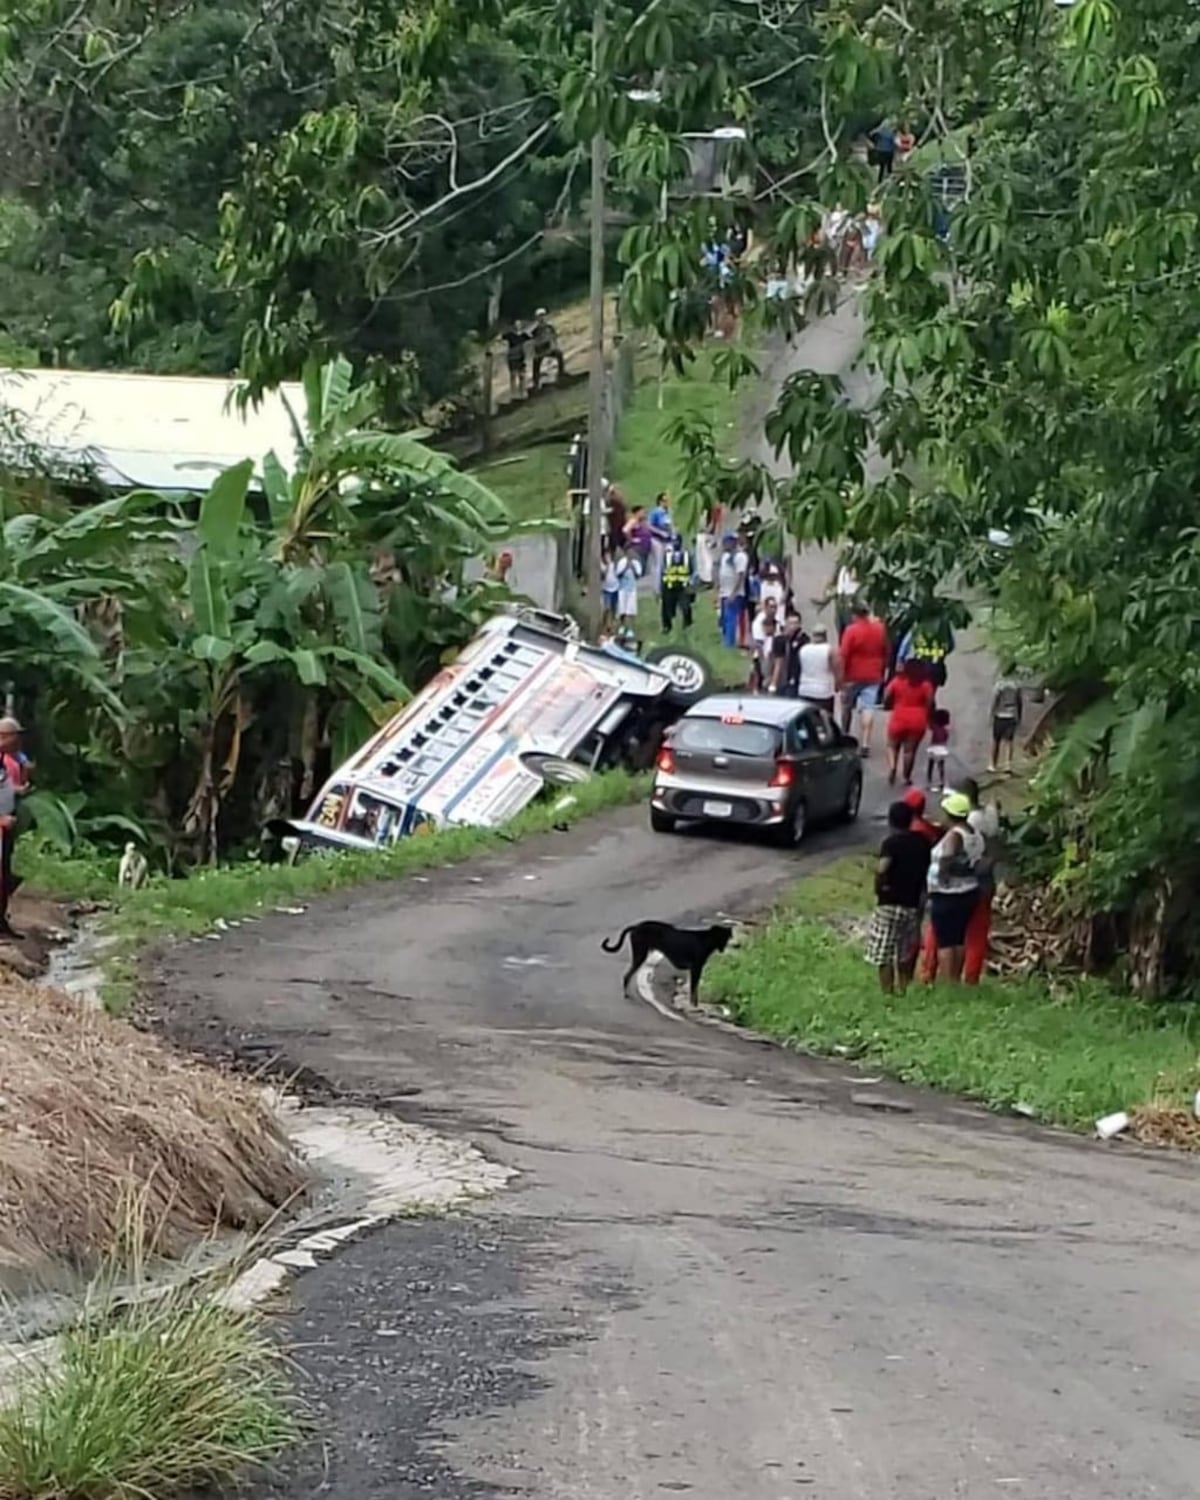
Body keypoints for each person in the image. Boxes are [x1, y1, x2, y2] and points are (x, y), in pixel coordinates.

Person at [865, 800, 933, 993]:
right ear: (911, 820)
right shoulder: (923, 842)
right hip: (912, 903)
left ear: (891, 821)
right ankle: (904, 987)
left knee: (884, 952)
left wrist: (879, 888)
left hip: (889, 902)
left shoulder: (891, 843)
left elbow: (882, 868)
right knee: (905, 951)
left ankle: (888, 992)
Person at [925, 790, 985, 983]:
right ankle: (955, 977)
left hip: (948, 893)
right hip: (969, 890)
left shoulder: (955, 835)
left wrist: (942, 875)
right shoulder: (974, 833)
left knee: (945, 940)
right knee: (958, 938)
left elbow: (948, 855)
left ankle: (948, 978)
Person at [839, 601, 888, 756]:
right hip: (873, 674)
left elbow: (844, 654)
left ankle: (844, 735)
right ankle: (865, 742)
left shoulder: (851, 630)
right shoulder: (880, 629)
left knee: (847, 706)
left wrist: (841, 678)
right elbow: (886, 650)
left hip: (853, 675)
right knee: (868, 707)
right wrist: (884, 668)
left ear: (854, 615)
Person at [883, 657, 935, 785]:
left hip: (899, 717)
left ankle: (892, 767)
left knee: (891, 745)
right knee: (910, 750)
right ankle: (906, 776)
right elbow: (929, 703)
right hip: (917, 720)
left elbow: (886, 695)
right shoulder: (926, 685)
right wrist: (928, 718)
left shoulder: (897, 682)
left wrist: (888, 704)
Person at [0, 716, 28, 939]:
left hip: (6, 827)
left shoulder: (6, 759)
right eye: (14, 735)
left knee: (4, 873)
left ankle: (2, 921)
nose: (18, 740)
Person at [796, 622, 839, 713]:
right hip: (824, 691)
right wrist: (838, 685)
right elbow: (835, 669)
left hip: (805, 689)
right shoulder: (829, 650)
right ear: (825, 635)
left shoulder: (803, 649)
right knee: (825, 718)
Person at [716, 533, 748, 648]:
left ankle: (729, 643)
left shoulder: (740, 557)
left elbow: (741, 576)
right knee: (724, 618)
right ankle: (725, 640)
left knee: (731, 619)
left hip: (734, 594)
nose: (724, 544)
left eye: (727, 542)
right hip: (724, 592)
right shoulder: (725, 556)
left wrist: (734, 593)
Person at [990, 668, 1025, 774]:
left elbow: (994, 701)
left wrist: (991, 714)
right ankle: (1007, 764)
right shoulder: (1016, 685)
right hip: (1012, 715)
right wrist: (1019, 716)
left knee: (996, 740)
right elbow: (1019, 702)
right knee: (1009, 741)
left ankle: (992, 764)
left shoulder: (999, 685)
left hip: (1000, 715)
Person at [659, 532, 696, 634]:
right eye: (673, 541)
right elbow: (662, 571)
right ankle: (667, 626)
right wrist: (659, 587)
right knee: (666, 608)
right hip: (669, 586)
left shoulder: (687, 555)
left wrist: (692, 584)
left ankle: (687, 623)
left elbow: (693, 570)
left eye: (677, 541)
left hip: (683, 586)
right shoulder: (666, 556)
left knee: (686, 606)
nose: (675, 544)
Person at [772, 609, 808, 696]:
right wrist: (773, 683)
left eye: (795, 623)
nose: (793, 626)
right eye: (790, 623)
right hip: (783, 679)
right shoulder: (779, 640)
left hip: (798, 679)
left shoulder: (804, 640)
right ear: (786, 623)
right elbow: (778, 662)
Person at [530, 310, 565, 391]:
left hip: (548, 347)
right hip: (540, 349)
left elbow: (554, 336)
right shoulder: (534, 329)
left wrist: (554, 345)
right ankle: (535, 383)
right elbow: (532, 341)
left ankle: (561, 374)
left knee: (559, 354)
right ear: (537, 317)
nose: (542, 317)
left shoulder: (549, 326)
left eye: (543, 315)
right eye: (540, 316)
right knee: (536, 363)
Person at [647, 492, 674, 595]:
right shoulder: (656, 512)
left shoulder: (669, 513)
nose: (667, 503)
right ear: (660, 502)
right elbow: (649, 526)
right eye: (664, 501)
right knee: (658, 564)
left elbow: (671, 526)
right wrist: (660, 532)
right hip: (657, 540)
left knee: (668, 562)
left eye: (668, 500)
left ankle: (667, 584)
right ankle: (656, 588)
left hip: (668, 541)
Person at [615, 546, 641, 628]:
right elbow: (618, 575)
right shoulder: (622, 562)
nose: (631, 554)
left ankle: (630, 628)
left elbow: (638, 575)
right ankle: (622, 626)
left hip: (632, 589)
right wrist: (625, 567)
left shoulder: (636, 563)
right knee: (622, 610)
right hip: (622, 589)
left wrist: (632, 568)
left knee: (631, 611)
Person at [501, 322, 528, 397]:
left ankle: (522, 392)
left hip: (521, 357)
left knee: (522, 375)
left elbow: (530, 342)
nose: (518, 326)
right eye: (516, 325)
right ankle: (513, 393)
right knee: (513, 375)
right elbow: (501, 338)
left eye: (519, 324)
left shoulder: (524, 335)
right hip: (512, 357)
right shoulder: (510, 335)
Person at [927, 706, 951, 789]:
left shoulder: (934, 727)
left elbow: (929, 724)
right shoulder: (945, 730)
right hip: (942, 749)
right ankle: (941, 780)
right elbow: (946, 738)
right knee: (941, 766)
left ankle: (929, 780)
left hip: (933, 748)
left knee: (931, 765)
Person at [600, 544, 620, 631]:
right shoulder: (603, 565)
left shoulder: (615, 564)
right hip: (607, 589)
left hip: (615, 588)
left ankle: (611, 625)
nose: (607, 557)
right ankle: (604, 623)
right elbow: (604, 575)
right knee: (607, 608)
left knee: (613, 607)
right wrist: (607, 565)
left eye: (608, 555)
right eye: (605, 555)